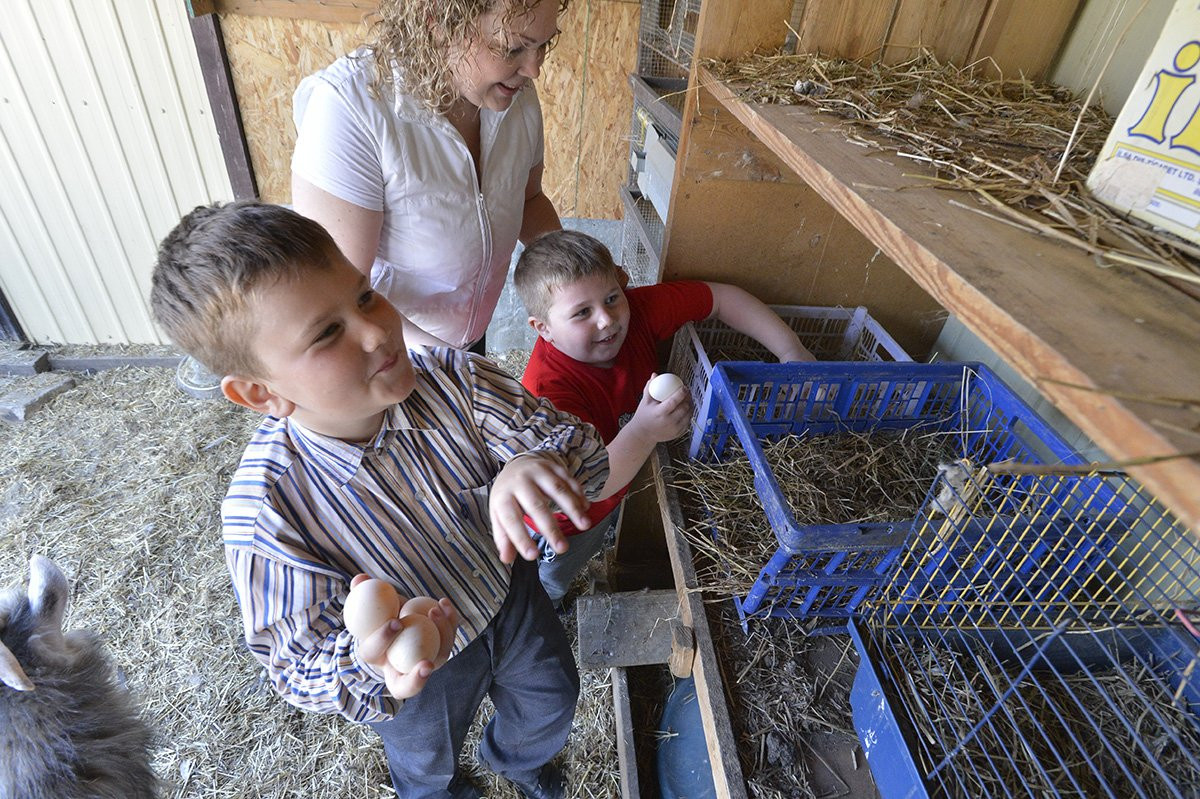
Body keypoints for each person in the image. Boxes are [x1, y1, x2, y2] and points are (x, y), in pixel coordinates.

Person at [149, 202, 610, 799]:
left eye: (365, 296)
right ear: (261, 392)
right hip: (416, 677)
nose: (375, 332)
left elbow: (586, 455)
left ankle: (519, 763)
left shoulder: (457, 381)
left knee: (551, 700)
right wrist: (368, 660)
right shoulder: (266, 513)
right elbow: (295, 661)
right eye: (327, 333)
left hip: (509, 596)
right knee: (427, 763)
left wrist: (532, 463)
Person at [514, 230, 816, 606]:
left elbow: (721, 298)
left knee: (600, 531)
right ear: (543, 328)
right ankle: (547, 603)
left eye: (612, 298)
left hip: (613, 485)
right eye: (582, 313)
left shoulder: (637, 311)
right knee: (554, 576)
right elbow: (588, 486)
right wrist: (643, 432)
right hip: (565, 521)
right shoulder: (548, 394)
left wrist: (792, 351)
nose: (607, 320)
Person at [291, 0, 567, 353]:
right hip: (389, 354)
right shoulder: (350, 108)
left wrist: (579, 270)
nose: (534, 70)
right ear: (438, 21)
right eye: (512, 48)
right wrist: (458, 369)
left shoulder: (512, 92)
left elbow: (527, 200)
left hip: (466, 340)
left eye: (543, 44)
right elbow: (342, 299)